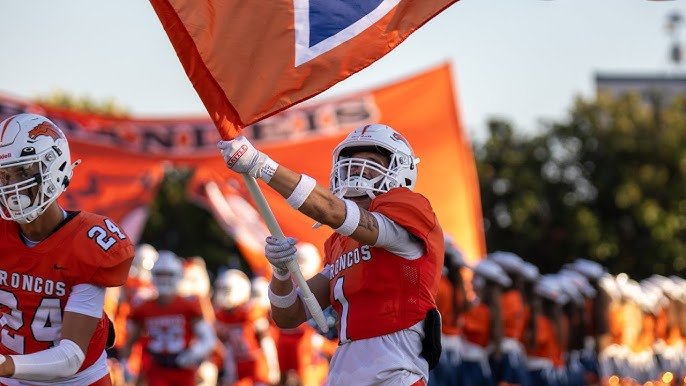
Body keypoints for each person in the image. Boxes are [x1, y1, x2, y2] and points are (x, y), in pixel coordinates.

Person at [218, 123, 445, 385]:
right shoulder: (340, 242)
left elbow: (331, 211)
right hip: (343, 372)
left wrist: (263, 166)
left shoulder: (406, 214)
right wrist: (280, 272)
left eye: (371, 162)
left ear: (400, 171)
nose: (356, 172)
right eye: (352, 163)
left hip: (395, 373)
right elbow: (289, 316)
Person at [0, 113, 135, 385]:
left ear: (53, 167)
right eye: (4, 175)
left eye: (23, 172)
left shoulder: (90, 241)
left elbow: (70, 357)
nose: (12, 186)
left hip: (77, 380)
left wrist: (4, 365)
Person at [120, 251, 216, 386]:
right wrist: (125, 365)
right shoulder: (143, 307)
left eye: (169, 275)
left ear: (178, 276)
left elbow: (208, 339)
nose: (164, 279)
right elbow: (129, 340)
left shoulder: (188, 305)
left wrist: (193, 354)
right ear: (153, 276)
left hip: (183, 369)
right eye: (160, 274)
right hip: (156, 370)